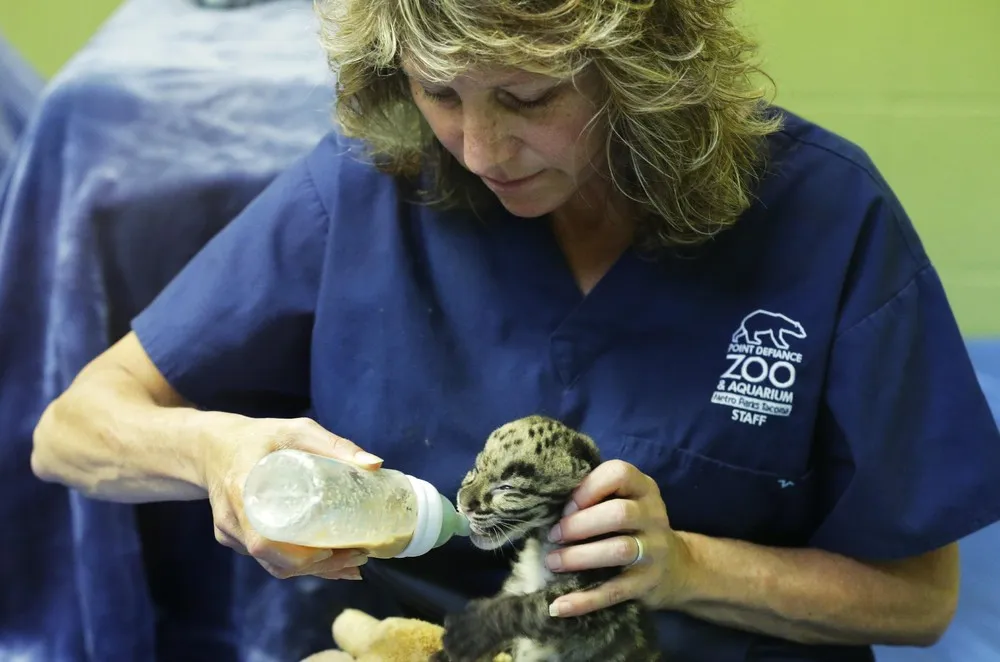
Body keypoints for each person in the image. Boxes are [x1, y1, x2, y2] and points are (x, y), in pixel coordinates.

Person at [30, 0, 1000, 660]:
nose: (480, 149)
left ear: (638, 71)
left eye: (528, 98)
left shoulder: (821, 215)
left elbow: (919, 596)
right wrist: (216, 449)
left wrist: (687, 566)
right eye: (439, 92)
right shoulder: (370, 187)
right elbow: (70, 431)